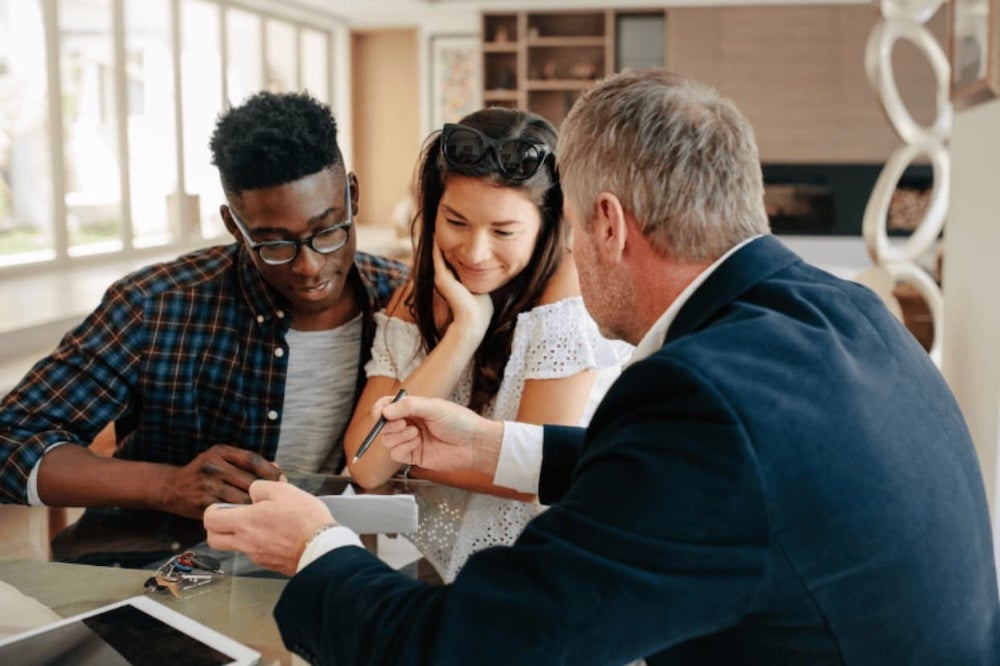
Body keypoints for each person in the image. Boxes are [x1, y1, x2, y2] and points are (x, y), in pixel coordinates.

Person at [204, 70, 1000, 664]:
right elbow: (727, 481)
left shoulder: (702, 398)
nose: (571, 256)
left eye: (574, 231)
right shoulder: (842, 311)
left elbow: (466, 652)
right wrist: (493, 449)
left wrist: (315, 548)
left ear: (608, 223)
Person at [0, 91, 408, 520]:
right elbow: (10, 441)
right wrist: (167, 486)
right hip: (155, 563)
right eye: (273, 244)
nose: (309, 266)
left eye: (328, 231)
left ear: (353, 196)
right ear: (235, 226)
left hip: (322, 563)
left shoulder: (402, 305)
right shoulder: (155, 306)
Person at [342, 107, 631, 581]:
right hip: (440, 564)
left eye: (503, 232)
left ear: (547, 226)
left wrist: (410, 461)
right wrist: (463, 334)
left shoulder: (568, 299)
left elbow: (531, 472)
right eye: (456, 222)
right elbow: (368, 466)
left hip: (548, 569)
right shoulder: (413, 300)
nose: (475, 253)